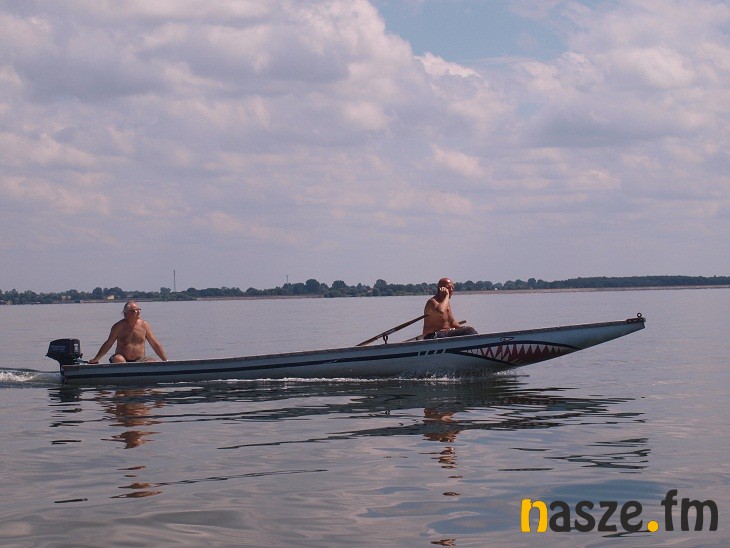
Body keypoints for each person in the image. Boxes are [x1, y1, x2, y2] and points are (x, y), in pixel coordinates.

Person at [88, 301, 168, 364]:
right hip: (121, 358)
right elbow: (109, 343)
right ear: (126, 314)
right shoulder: (118, 326)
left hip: (139, 359)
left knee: (152, 361)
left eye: (139, 309)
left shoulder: (145, 325)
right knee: (118, 359)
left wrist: (165, 360)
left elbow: (154, 343)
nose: (138, 312)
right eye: (134, 310)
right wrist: (96, 359)